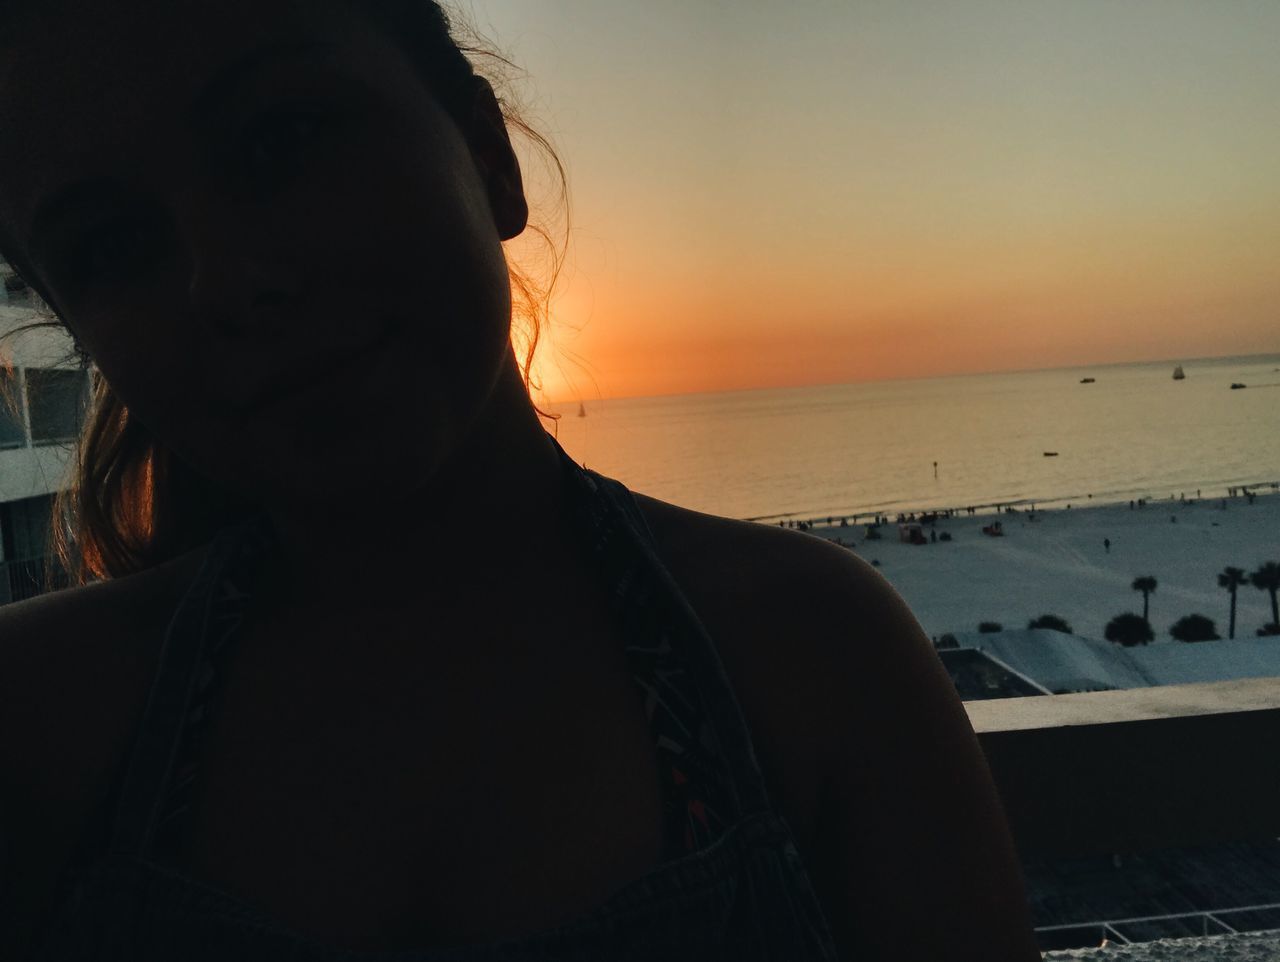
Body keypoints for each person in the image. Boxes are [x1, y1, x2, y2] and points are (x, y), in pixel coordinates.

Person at [0, 2, 1040, 959]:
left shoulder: (812, 656)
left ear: (491, 158)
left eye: (281, 142)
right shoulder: (39, 718)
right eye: (112, 246)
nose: (227, 281)